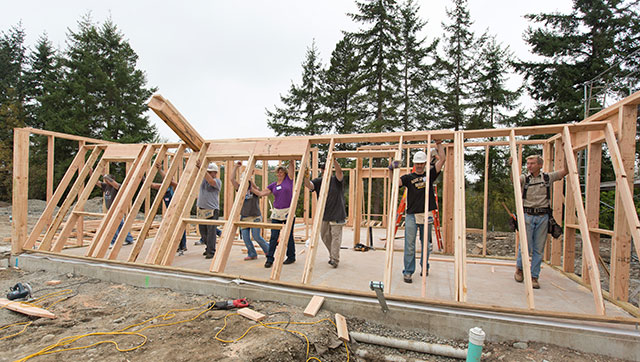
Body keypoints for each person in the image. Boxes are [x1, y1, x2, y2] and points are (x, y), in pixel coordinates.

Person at [511, 154, 567, 289]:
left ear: (540, 165)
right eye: (528, 163)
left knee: (538, 249)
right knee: (525, 246)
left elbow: (565, 171)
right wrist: (512, 167)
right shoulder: (525, 178)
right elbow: (515, 182)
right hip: (527, 215)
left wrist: (566, 154)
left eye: (532, 163)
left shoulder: (548, 177)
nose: (529, 165)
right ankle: (520, 269)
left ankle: (534, 276)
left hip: (543, 216)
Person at [400, 141, 446, 283]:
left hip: (426, 214)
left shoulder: (430, 175)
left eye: (422, 163)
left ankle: (424, 267)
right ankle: (408, 272)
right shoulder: (408, 178)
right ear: (414, 163)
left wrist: (439, 144)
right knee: (410, 245)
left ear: (425, 163)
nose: (420, 166)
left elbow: (442, 160)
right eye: (417, 163)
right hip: (412, 215)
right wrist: (392, 169)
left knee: (426, 244)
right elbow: (396, 183)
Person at [251, 161, 296, 268]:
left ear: (285, 173)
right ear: (276, 174)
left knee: (288, 236)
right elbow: (261, 193)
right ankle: (270, 259)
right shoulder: (273, 185)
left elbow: (292, 167)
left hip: (288, 211)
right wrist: (250, 188)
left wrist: (290, 159)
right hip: (276, 212)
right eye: (278, 172)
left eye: (282, 172)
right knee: (273, 237)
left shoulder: (289, 180)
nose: (280, 174)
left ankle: (291, 257)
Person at [303, 158, 346, 268]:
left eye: (326, 168)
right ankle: (333, 255)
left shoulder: (336, 180)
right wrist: (305, 175)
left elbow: (339, 172)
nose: (323, 171)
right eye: (322, 169)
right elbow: (309, 185)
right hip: (324, 214)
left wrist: (334, 160)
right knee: (325, 236)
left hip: (337, 214)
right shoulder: (319, 181)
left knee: (336, 237)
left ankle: (334, 259)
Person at [231, 161, 269, 261]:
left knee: (256, 236)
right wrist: (236, 167)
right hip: (244, 217)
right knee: (246, 238)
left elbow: (257, 190)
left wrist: (249, 177)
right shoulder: (240, 189)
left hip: (255, 216)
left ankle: (269, 251)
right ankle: (252, 253)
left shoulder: (254, 189)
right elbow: (231, 179)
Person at [146, 163, 187, 255]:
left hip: (177, 210)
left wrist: (160, 170)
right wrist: (142, 178)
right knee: (172, 228)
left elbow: (169, 180)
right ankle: (177, 246)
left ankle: (182, 245)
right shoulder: (164, 188)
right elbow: (152, 185)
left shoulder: (175, 186)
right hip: (170, 212)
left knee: (179, 228)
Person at [92, 172, 134, 247]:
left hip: (118, 209)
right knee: (120, 225)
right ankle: (129, 239)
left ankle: (113, 242)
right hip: (111, 210)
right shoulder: (106, 186)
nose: (106, 181)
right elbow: (96, 182)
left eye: (107, 180)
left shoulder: (117, 186)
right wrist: (91, 172)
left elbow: (114, 183)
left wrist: (104, 175)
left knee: (113, 225)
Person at [195, 161, 222, 259]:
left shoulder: (217, 182)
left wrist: (202, 168)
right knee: (203, 232)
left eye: (210, 172)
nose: (209, 174)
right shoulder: (202, 180)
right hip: (202, 210)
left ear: (215, 173)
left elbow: (211, 181)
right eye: (208, 172)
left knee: (211, 232)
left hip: (212, 210)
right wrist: (199, 168)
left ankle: (211, 251)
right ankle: (208, 247)